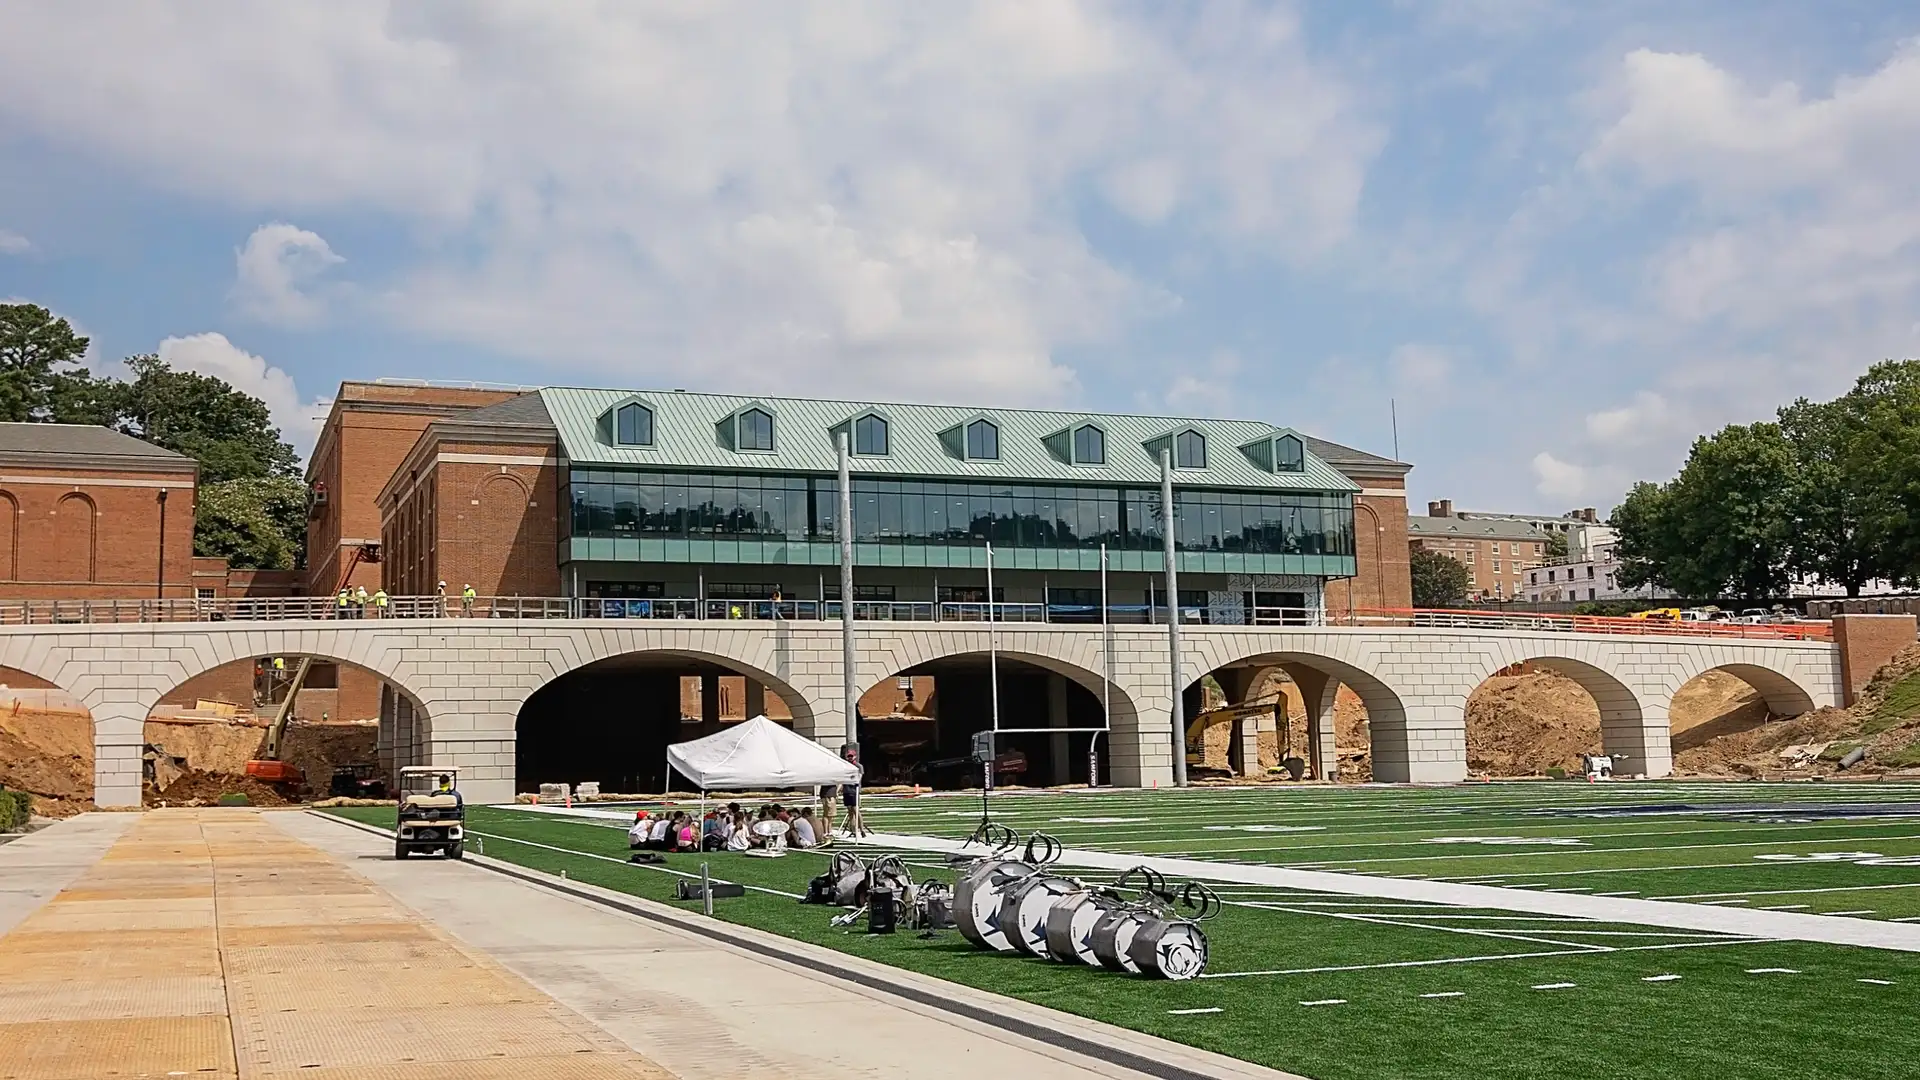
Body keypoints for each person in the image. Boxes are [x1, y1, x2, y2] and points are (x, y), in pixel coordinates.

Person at [840, 742, 870, 838]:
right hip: (846, 791)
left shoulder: (859, 766)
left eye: (851, 756)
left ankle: (862, 830)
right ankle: (853, 830)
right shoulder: (845, 766)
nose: (850, 758)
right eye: (848, 756)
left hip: (854, 790)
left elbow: (859, 778)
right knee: (850, 812)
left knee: (856, 810)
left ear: (855, 757)